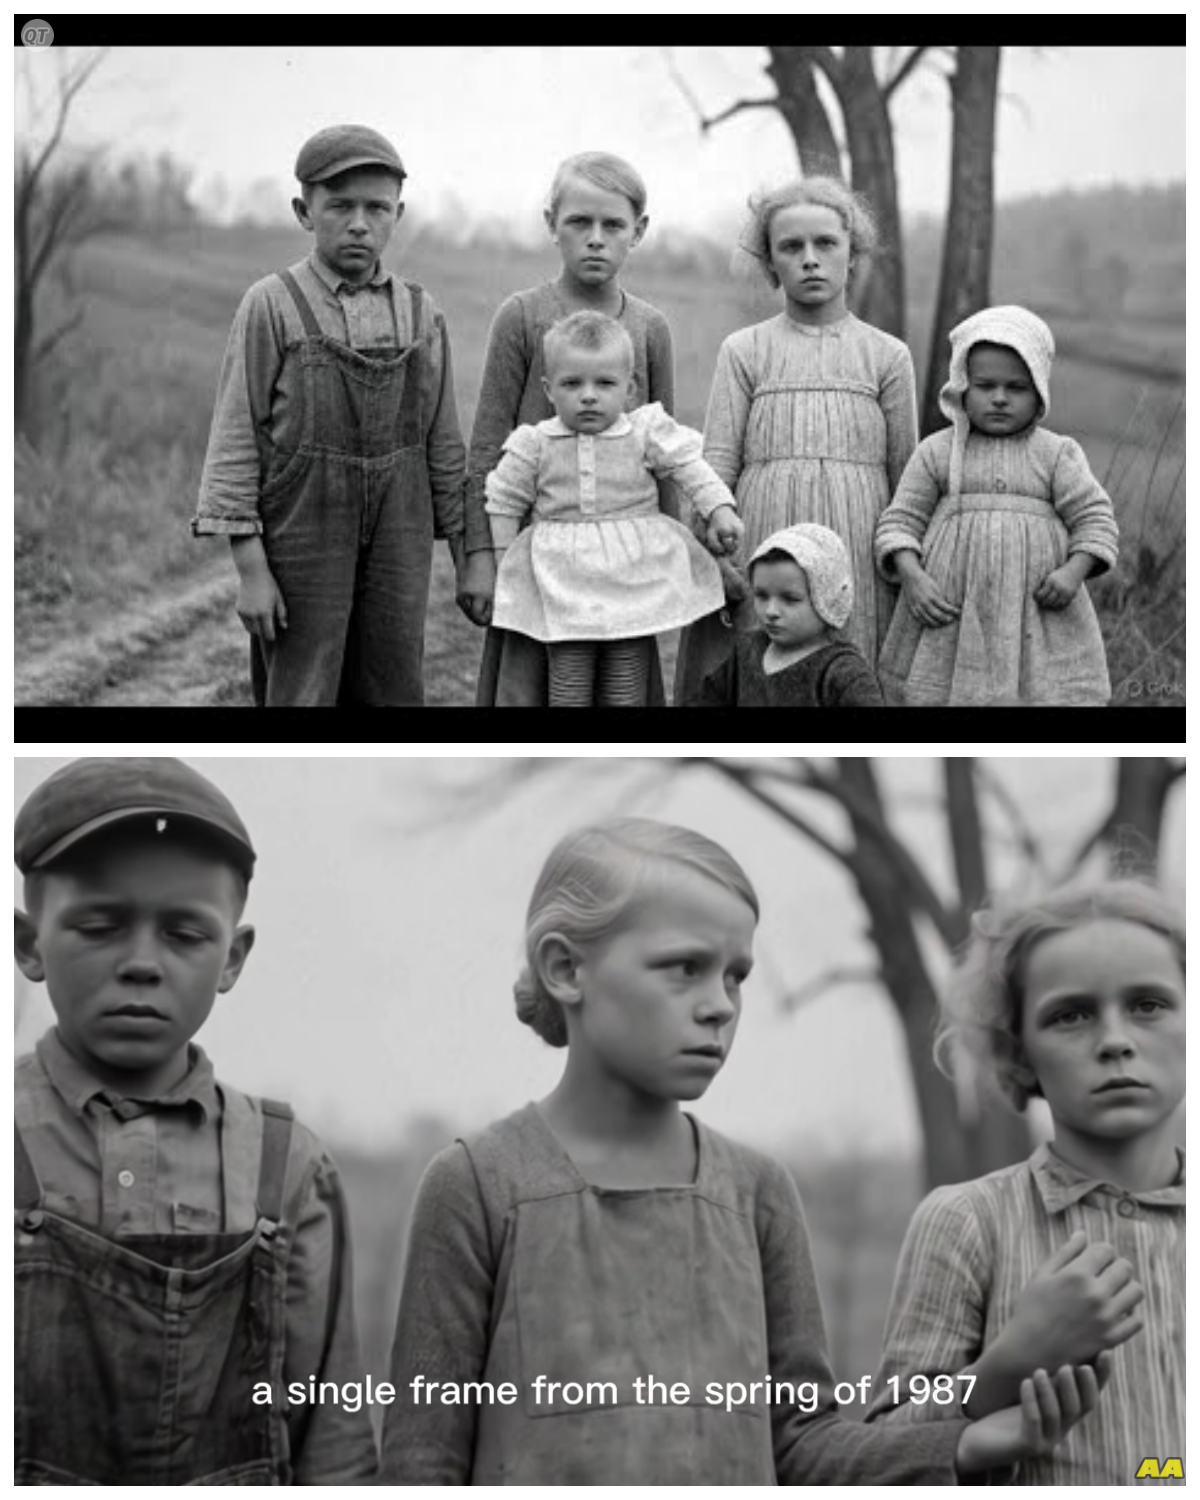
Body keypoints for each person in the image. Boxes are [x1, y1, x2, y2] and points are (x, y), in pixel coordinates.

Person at [380, 818, 1110, 1483]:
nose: (720, 1004)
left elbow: (803, 1448)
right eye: (683, 967)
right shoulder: (478, 1184)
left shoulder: (757, 1193)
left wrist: (959, 1443)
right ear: (566, 969)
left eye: (735, 976)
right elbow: (422, 1466)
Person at [14, 758, 377, 1483]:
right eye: (99, 925)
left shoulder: (286, 1167)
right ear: (29, 945)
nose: (142, 963)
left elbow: (332, 1441)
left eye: (183, 934)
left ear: (232, 958)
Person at [867, 880, 1184, 1484]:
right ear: (1018, 1053)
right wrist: (1010, 1364)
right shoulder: (966, 1222)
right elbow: (882, 1459)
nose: (1116, 1040)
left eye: (1148, 1004)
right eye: (1070, 1015)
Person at [192, 124, 491, 706]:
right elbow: (235, 436)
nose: (359, 223)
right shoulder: (272, 303)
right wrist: (252, 572)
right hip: (303, 528)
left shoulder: (421, 312)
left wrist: (470, 558)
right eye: (340, 206)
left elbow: (444, 445)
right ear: (305, 211)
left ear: (397, 214)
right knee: (302, 684)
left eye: (376, 208)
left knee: (394, 682)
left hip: (399, 530)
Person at [675, 176, 918, 702]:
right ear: (770, 264)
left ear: (852, 255)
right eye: (791, 247)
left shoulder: (887, 357)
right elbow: (714, 468)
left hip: (854, 554)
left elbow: (909, 485)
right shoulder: (744, 351)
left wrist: (907, 566)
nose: (810, 259)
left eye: (826, 244)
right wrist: (716, 559)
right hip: (764, 544)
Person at [468, 150, 679, 705]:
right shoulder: (521, 316)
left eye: (613, 225)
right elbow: (489, 446)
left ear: (639, 231)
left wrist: (671, 556)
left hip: (625, 561)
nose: (595, 238)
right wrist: (480, 560)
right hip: (541, 557)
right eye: (579, 223)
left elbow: (665, 456)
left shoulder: (649, 328)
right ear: (551, 226)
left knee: (624, 686)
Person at [486, 312, 742, 706]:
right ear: (549, 389)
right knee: (568, 675)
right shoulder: (536, 443)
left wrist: (719, 507)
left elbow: (689, 466)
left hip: (631, 577)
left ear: (630, 387)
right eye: (572, 383)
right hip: (562, 582)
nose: (588, 395)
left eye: (605, 383)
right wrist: (506, 562)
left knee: (626, 677)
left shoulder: (644, 432)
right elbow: (504, 497)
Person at [874, 305, 1119, 704]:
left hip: (1038, 616)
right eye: (986, 386)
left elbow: (1096, 520)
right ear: (961, 386)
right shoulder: (937, 453)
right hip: (951, 614)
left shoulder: (1056, 455)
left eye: (1017, 388)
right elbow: (900, 521)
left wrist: (1073, 573)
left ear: (1039, 388)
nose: (1000, 399)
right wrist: (912, 577)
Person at [691, 522, 884, 706]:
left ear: (826, 598)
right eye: (761, 596)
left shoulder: (844, 674)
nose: (771, 611)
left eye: (790, 599)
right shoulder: (747, 650)